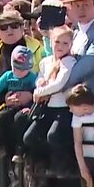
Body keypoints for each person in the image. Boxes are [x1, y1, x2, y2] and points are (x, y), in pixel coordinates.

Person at [26, 27, 78, 164]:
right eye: (57, 42)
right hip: (47, 108)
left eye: (65, 43)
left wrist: (39, 92)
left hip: (63, 108)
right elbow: (40, 78)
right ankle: (43, 163)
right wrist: (40, 83)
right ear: (50, 42)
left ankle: (62, 166)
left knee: (54, 135)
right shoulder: (45, 62)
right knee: (30, 136)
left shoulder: (68, 62)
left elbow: (60, 84)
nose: (60, 46)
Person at [0, 46, 38, 162]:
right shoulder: (8, 76)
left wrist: (31, 104)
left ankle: (20, 149)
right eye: (17, 69)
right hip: (11, 105)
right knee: (2, 116)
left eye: (23, 70)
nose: (19, 73)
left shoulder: (33, 78)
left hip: (26, 108)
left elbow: (39, 92)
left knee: (20, 118)